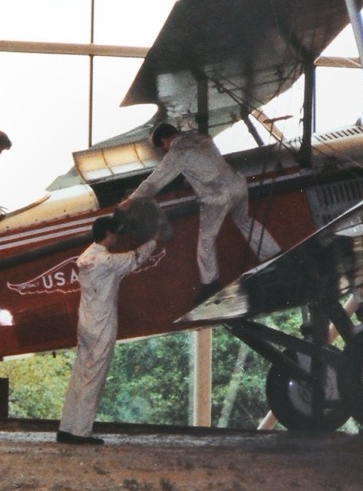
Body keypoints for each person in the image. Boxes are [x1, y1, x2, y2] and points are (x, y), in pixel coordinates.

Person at [122, 121, 279, 303]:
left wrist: (131, 199)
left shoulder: (178, 152)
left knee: (206, 239)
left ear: (165, 139)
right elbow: (206, 163)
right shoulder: (199, 137)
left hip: (216, 195)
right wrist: (191, 177)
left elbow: (155, 181)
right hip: (237, 184)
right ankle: (274, 255)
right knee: (245, 221)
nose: (164, 149)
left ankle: (210, 284)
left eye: (163, 145)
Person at [57, 215, 159, 445]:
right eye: (115, 233)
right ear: (108, 234)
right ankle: (80, 433)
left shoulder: (86, 256)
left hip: (86, 324)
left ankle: (66, 428)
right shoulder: (106, 260)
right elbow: (135, 258)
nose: (117, 237)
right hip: (101, 325)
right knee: (93, 379)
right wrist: (154, 240)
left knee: (80, 375)